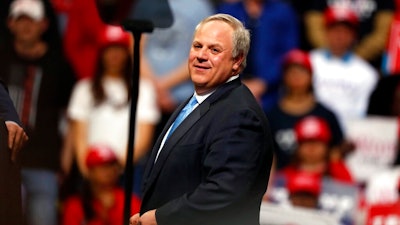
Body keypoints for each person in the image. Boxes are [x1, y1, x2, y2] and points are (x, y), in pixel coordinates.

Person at [129, 13, 274, 225]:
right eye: (197, 46)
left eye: (214, 50)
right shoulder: (198, 100)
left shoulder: (240, 115)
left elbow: (223, 193)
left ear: (237, 60)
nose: (201, 55)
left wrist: (159, 218)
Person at [0, 0, 76, 224]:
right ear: (9, 23)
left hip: (44, 162)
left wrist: (65, 163)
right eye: (20, 20)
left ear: (43, 24)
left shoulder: (60, 65)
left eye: (31, 21)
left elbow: (70, 117)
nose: (26, 26)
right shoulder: (0, 58)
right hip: (4, 158)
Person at [66, 25, 160, 177]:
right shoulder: (83, 89)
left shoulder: (144, 90)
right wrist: (91, 171)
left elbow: (144, 138)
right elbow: (79, 138)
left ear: (128, 52)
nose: (114, 55)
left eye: (119, 49)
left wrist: (112, 170)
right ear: (101, 53)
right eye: (109, 49)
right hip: (91, 172)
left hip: (129, 172)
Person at [266, 49, 345, 170]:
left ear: (311, 76)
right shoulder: (271, 116)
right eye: (292, 72)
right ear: (284, 76)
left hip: (321, 183)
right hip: (282, 182)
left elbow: (337, 150)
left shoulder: (326, 114)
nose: (296, 76)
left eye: (301, 71)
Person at [216, 0, 299, 111]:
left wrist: (263, 83)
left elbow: (289, 54)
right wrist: (239, 83)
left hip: (273, 93)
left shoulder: (282, 12)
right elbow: (219, 51)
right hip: (231, 89)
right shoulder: (227, 12)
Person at [310, 6, 379, 130]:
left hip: (348, 135)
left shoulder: (367, 73)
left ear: (354, 36)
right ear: (326, 32)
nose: (339, 36)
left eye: (345, 31)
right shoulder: (309, 62)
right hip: (311, 133)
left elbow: (363, 114)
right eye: (335, 30)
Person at [61, 144, 141, 225]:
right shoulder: (75, 205)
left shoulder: (130, 201)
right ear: (90, 171)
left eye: (111, 165)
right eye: (102, 166)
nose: (109, 171)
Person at [279, 116, 354, 184]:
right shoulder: (284, 175)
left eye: (317, 142)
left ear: (327, 146)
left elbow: (355, 196)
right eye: (306, 142)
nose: (312, 148)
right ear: (298, 146)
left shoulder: (338, 171)